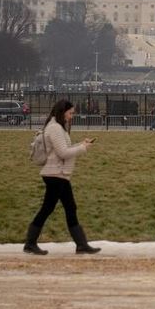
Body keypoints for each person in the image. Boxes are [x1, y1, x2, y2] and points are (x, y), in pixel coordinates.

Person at [23, 99, 101, 255]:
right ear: (62, 112)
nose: (72, 116)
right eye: (70, 113)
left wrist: (80, 144)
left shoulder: (56, 127)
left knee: (66, 207)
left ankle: (80, 244)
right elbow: (63, 153)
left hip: (58, 174)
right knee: (52, 208)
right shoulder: (55, 129)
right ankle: (31, 243)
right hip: (55, 174)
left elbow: (63, 150)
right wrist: (83, 148)